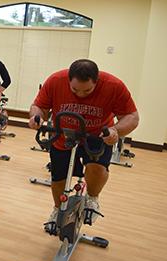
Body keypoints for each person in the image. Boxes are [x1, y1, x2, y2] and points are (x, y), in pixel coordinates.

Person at [28, 58, 139, 231]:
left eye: (87, 90)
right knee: (58, 178)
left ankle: (92, 198)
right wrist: (37, 117)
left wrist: (116, 130)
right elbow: (39, 106)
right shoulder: (55, 81)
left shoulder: (113, 85)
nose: (80, 94)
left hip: (97, 136)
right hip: (64, 135)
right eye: (74, 90)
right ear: (68, 80)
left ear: (97, 81)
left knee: (97, 168)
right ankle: (58, 209)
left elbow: (132, 116)